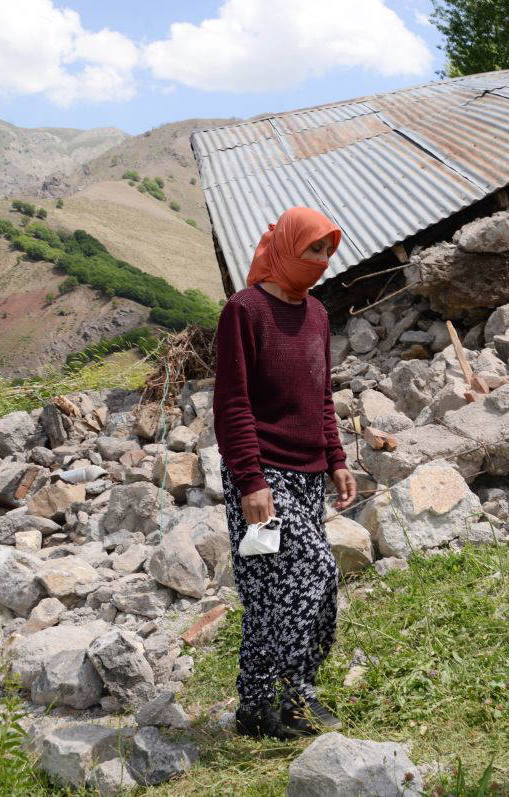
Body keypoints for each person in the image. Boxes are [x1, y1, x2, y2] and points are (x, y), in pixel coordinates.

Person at [214, 206, 357, 740]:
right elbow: (232, 403)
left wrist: (336, 459)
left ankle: (254, 709)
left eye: (327, 252)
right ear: (284, 249)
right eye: (312, 249)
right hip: (262, 478)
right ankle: (296, 699)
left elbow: (321, 394)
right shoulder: (244, 311)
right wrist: (251, 482)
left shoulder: (317, 314)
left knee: (274, 593)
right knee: (313, 574)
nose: (320, 262)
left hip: (306, 475)